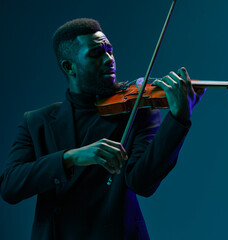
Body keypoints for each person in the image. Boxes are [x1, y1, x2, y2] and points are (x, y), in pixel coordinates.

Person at [0, 18, 205, 239]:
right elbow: (10, 186)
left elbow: (143, 183)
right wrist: (71, 158)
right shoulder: (36, 122)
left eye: (110, 51)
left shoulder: (137, 109)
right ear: (69, 67)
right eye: (96, 53)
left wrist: (179, 118)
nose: (109, 60)